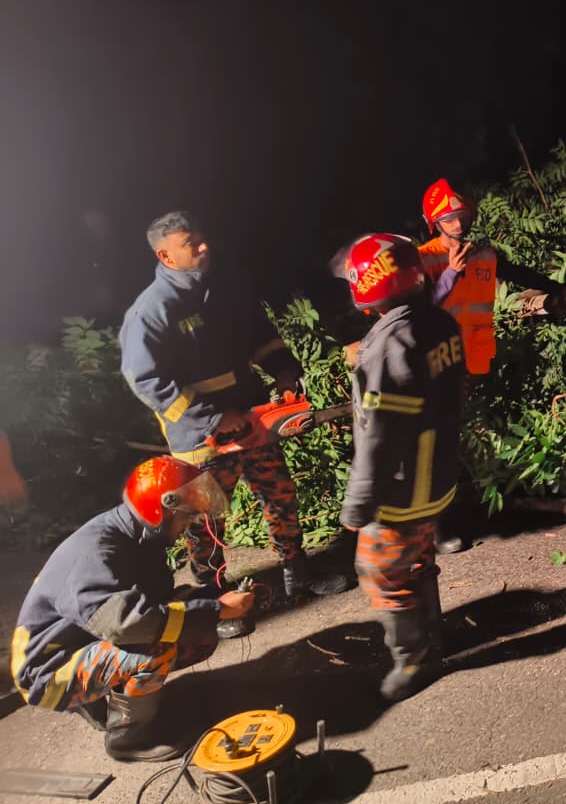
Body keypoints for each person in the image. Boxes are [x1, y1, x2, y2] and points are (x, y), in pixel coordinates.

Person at [119, 211, 352, 638]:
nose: (205, 246)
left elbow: (261, 337)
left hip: (252, 420)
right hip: (200, 439)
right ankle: (214, 601)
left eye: (204, 238)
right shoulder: (151, 312)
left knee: (280, 494)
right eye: (193, 242)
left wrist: (283, 369)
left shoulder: (225, 290)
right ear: (166, 256)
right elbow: (146, 380)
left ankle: (296, 574)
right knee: (206, 523)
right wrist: (211, 416)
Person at [10, 456, 254, 763]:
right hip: (46, 672)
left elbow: (158, 601)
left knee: (189, 628)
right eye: (184, 517)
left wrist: (212, 598)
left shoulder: (133, 534)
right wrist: (215, 610)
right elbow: (126, 625)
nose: (188, 526)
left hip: (75, 644)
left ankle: (102, 704)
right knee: (158, 645)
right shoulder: (97, 551)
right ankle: (128, 740)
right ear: (160, 510)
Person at [418, 178, 566, 552]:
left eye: (461, 215)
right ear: (435, 222)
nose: (458, 224)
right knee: (435, 445)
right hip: (430, 366)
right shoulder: (424, 258)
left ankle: (451, 512)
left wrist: (559, 290)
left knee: (453, 441)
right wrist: (449, 273)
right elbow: (415, 311)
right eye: (449, 218)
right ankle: (435, 529)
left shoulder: (482, 253)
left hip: (464, 363)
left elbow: (516, 274)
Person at [340, 233, 465, 702]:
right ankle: (434, 630)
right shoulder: (441, 322)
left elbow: (377, 437)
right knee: (420, 553)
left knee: (379, 571)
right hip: (440, 476)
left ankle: (411, 659)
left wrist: (358, 505)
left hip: (402, 488)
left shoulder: (388, 345)